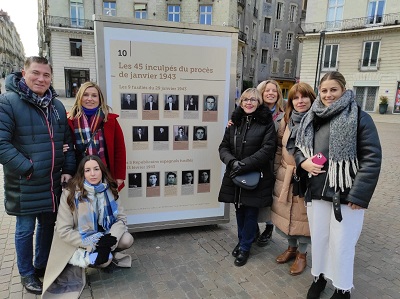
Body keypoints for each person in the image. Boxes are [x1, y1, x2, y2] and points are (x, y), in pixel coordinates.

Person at [295, 72, 382, 299]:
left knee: (342, 244)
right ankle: (319, 277)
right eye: (324, 90)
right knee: (321, 239)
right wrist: (303, 163)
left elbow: (371, 158)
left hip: (344, 195)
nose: (328, 95)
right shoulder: (311, 116)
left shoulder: (360, 117)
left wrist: (359, 195)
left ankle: (342, 289)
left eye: (333, 89)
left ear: (343, 89)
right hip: (316, 191)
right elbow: (297, 148)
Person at [0, 56, 76, 294]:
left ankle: (42, 266)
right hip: (26, 182)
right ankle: (26, 273)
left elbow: (67, 142)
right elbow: (1, 144)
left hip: (52, 181)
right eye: (35, 73)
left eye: (46, 75)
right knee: (25, 229)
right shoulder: (8, 103)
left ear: (51, 78)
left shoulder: (57, 106)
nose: (41, 79)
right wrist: (28, 167)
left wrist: (67, 170)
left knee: (47, 226)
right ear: (24, 73)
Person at [42, 155, 133, 298]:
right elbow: (63, 231)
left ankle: (105, 254)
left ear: (102, 171)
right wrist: (95, 242)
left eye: (96, 169)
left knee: (127, 239)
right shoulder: (70, 193)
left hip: (105, 235)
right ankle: (94, 260)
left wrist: (109, 241)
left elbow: (121, 219)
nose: (93, 174)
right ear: (82, 173)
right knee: (104, 261)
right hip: (81, 240)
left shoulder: (110, 188)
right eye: (88, 170)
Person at [218, 88, 276, 267]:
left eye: (253, 99)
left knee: (251, 212)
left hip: (255, 175)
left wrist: (244, 165)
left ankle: (245, 247)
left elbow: (268, 149)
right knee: (239, 210)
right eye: (245, 100)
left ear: (259, 103)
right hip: (235, 173)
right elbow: (223, 147)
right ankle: (242, 239)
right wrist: (233, 162)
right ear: (240, 102)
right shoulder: (234, 122)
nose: (249, 103)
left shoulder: (266, 123)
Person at [270, 82, 316, 276]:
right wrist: (275, 171)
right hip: (285, 175)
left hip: (308, 177)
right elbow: (279, 149)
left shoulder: (318, 120)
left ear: (312, 99)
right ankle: (291, 248)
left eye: (304, 97)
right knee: (286, 212)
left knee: (303, 218)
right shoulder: (286, 120)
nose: (300, 101)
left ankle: (302, 255)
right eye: (295, 97)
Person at [68, 82, 126, 191]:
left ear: (100, 99)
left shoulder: (110, 121)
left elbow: (119, 150)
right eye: (85, 95)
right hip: (78, 174)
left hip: (104, 174)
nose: (90, 99)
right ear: (79, 97)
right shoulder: (69, 120)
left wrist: (119, 176)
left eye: (94, 95)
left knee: (106, 206)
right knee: (82, 206)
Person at [255, 79, 285, 247]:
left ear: (278, 94)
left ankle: (269, 227)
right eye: (267, 90)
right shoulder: (253, 110)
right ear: (261, 93)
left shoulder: (284, 112)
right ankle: (253, 227)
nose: (271, 93)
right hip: (258, 160)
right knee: (254, 192)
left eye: (274, 90)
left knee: (273, 195)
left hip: (276, 160)